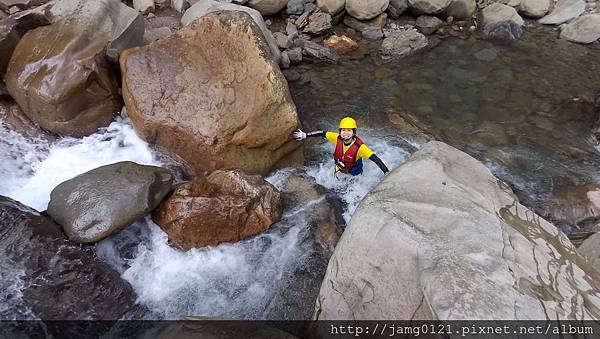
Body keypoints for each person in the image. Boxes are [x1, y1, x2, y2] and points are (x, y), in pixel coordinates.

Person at [292, 117, 389, 177]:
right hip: (340, 168)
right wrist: (305, 135)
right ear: (340, 131)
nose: (345, 133)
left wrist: (386, 172)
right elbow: (322, 133)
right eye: (343, 130)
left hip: (354, 175)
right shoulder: (336, 137)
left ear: (354, 132)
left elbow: (376, 159)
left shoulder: (360, 148)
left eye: (349, 130)